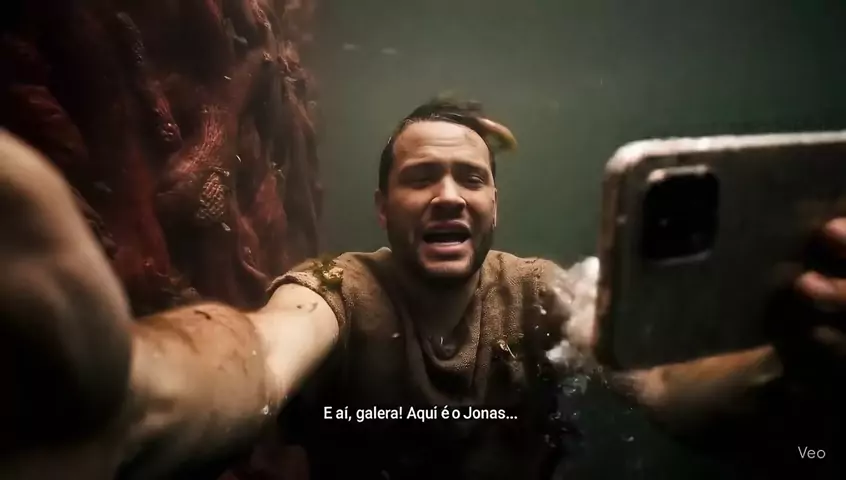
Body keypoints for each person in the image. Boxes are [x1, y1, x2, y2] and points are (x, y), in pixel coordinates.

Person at [0, 98, 844, 480]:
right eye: (420, 177)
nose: (448, 195)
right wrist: (137, 396)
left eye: (470, 178)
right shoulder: (337, 290)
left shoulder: (541, 294)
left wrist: (782, 371)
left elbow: (660, 384)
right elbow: (257, 354)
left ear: (494, 203)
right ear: (383, 206)